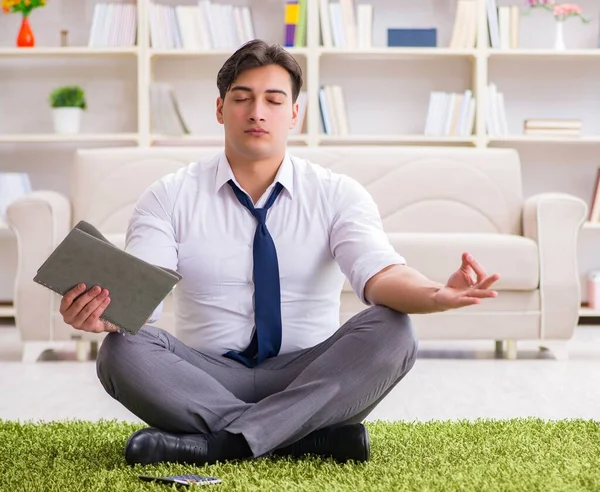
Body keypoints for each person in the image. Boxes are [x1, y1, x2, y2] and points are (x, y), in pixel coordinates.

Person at [58, 39, 500, 467]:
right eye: (242, 98)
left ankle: (219, 445)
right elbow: (144, 294)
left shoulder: (337, 194)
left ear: (294, 114)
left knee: (394, 330)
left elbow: (380, 274)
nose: (256, 112)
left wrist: (436, 292)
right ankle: (307, 439)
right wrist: (106, 313)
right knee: (122, 351)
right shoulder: (168, 196)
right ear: (219, 109)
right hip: (205, 375)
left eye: (273, 100)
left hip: (309, 375)